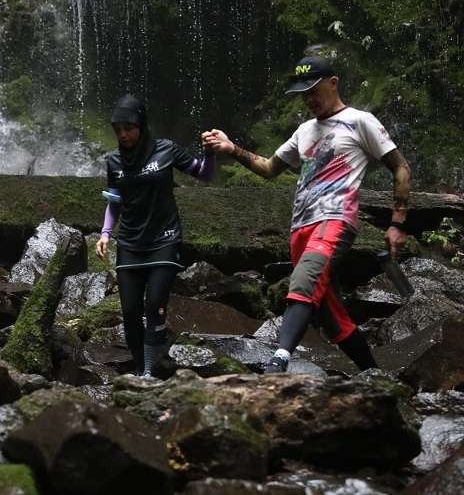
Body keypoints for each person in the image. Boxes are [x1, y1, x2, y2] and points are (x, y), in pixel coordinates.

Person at [202, 55, 412, 373]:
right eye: (304, 94)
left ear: (333, 83)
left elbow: (401, 167)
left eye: (314, 90)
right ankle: (376, 375)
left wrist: (398, 223)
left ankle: (279, 359)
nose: (309, 99)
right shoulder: (304, 131)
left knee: (301, 284)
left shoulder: (360, 121)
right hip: (300, 227)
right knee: (332, 317)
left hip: (335, 220)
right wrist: (233, 149)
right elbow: (270, 168)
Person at [96, 94, 215, 377]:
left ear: (141, 125)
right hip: (130, 243)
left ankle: (149, 371)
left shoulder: (166, 150)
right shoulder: (114, 161)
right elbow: (115, 201)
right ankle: (141, 369)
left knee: (155, 305)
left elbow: (204, 174)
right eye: (118, 130)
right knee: (130, 314)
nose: (123, 135)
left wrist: (209, 152)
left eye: (129, 128)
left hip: (164, 238)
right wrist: (105, 233)